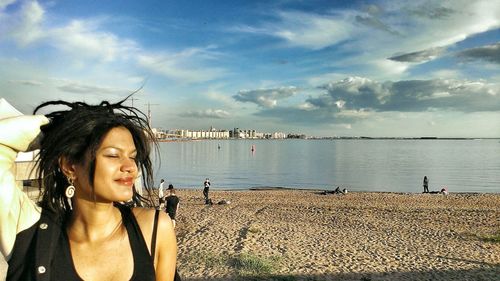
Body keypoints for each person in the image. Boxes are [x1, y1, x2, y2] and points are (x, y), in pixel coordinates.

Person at [0, 97, 180, 280]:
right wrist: (56, 131)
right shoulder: (29, 231)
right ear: (70, 166)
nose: (130, 167)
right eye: (113, 155)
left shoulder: (154, 229)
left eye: (132, 157)